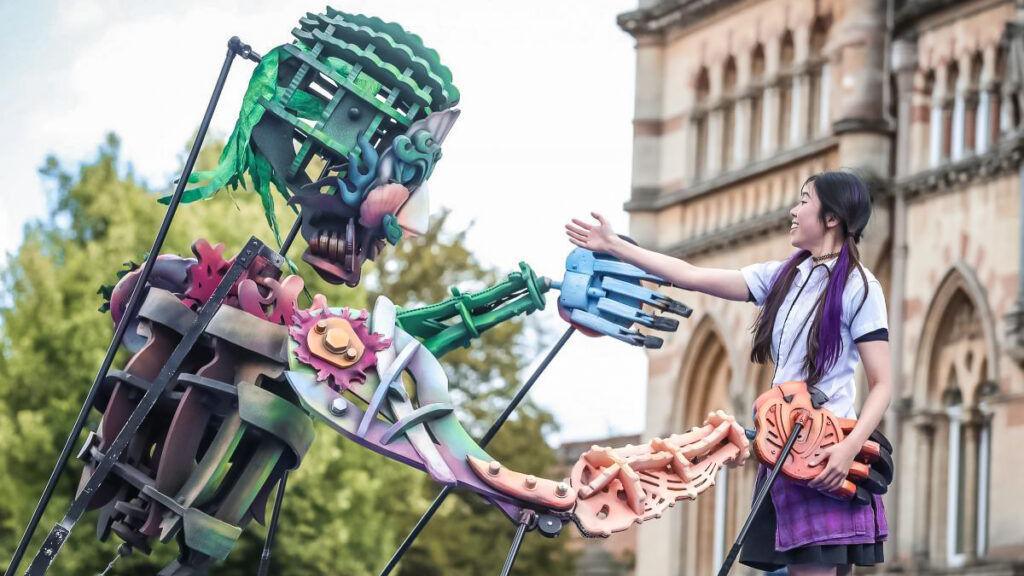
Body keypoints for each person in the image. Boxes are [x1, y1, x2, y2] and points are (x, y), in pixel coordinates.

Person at [565, 171, 891, 576]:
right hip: (785, 450)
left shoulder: (860, 287)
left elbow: (883, 384)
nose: (793, 209)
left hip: (827, 452)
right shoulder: (783, 276)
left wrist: (846, 451)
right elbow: (691, 276)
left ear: (832, 218)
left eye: (805, 200)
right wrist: (614, 246)